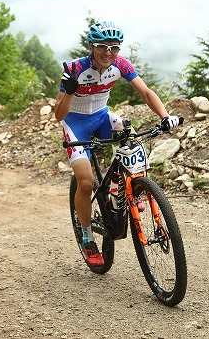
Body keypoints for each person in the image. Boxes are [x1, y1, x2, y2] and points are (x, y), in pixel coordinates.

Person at [54, 21, 180, 267]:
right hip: (75, 124)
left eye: (114, 47)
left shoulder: (120, 65)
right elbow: (59, 115)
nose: (108, 53)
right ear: (91, 46)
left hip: (102, 116)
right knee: (86, 181)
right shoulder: (74, 69)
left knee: (128, 135)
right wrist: (69, 92)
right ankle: (87, 237)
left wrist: (165, 117)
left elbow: (145, 92)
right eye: (102, 46)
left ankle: (123, 188)